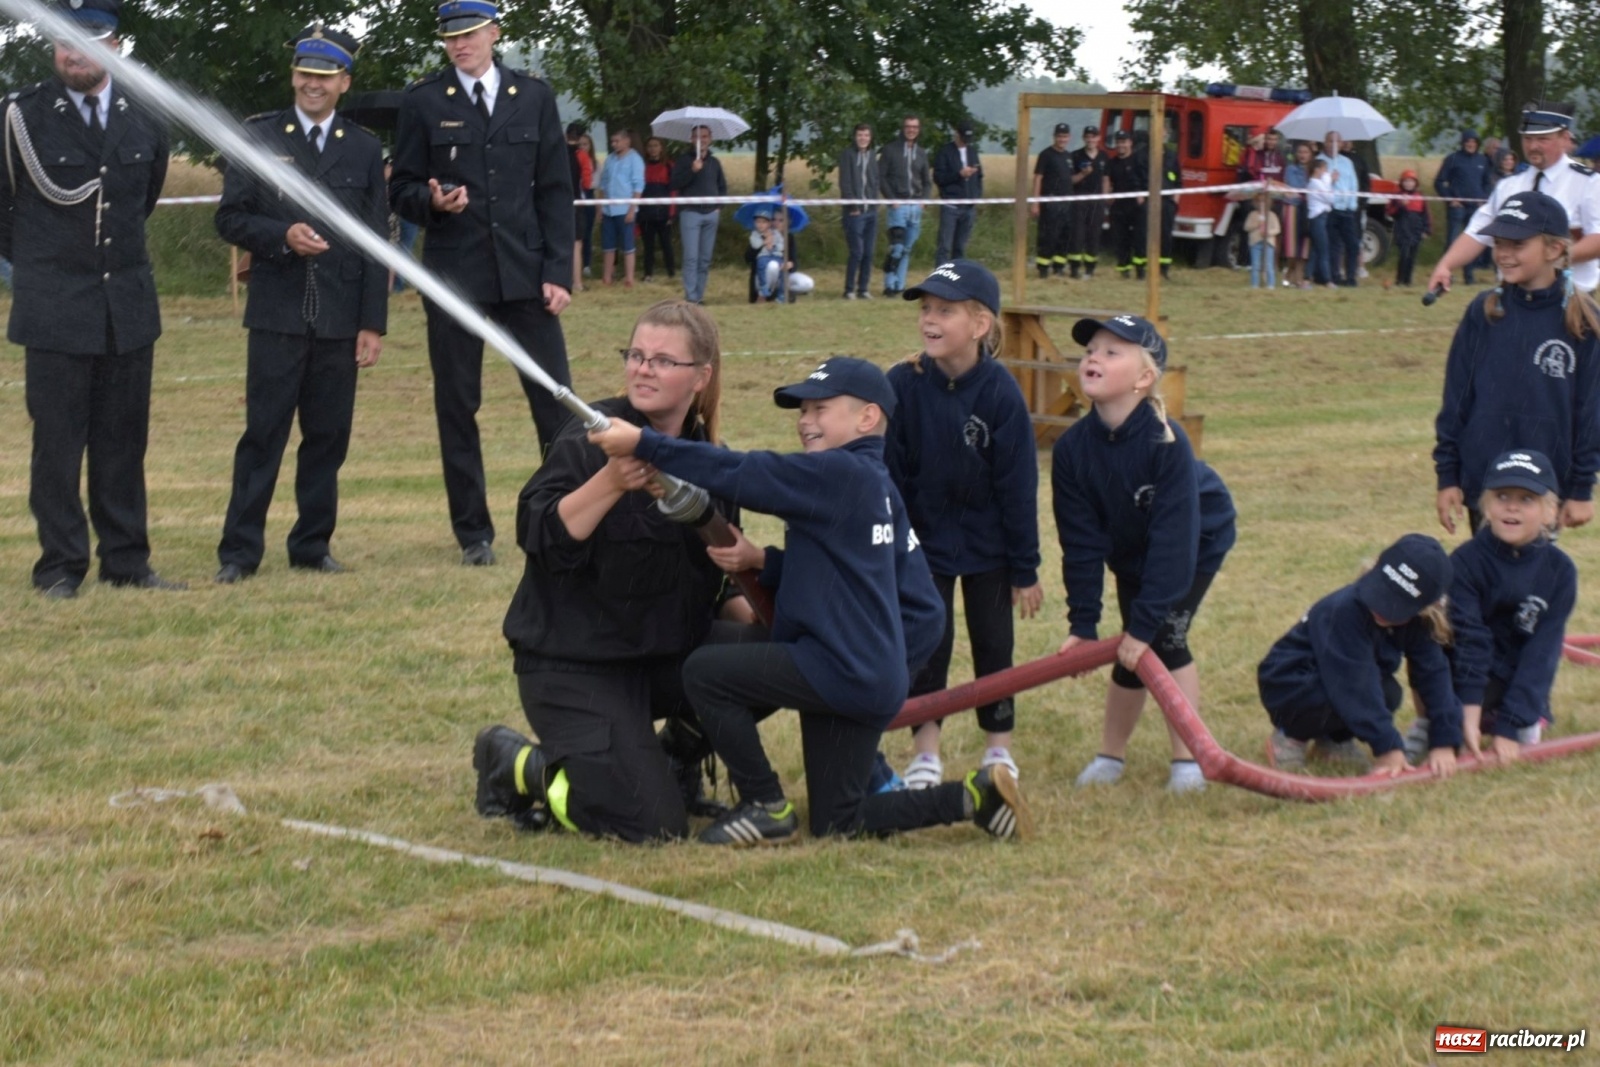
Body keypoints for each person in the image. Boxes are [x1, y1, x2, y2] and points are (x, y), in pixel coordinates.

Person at [586, 356, 1035, 846]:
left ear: (867, 418)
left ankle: (763, 803)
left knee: (705, 673)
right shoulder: (877, 486)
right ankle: (973, 798)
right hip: (863, 677)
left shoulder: (837, 473)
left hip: (839, 668)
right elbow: (918, 602)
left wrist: (644, 444)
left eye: (821, 409)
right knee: (839, 819)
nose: (805, 421)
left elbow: (743, 470)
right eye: (802, 411)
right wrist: (766, 562)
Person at [472, 301, 742, 842]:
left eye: (663, 361)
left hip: (660, 659)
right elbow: (539, 533)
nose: (643, 368)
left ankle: (673, 759)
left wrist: (781, 634)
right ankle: (519, 765)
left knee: (771, 656)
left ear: (701, 376)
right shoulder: (587, 440)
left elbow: (719, 581)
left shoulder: (711, 459)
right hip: (577, 669)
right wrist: (613, 482)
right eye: (636, 355)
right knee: (653, 827)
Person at [0, 0, 183, 598]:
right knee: (57, 446)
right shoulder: (19, 117)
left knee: (124, 442)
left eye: (88, 40)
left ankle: (127, 562)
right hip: (54, 308)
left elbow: (141, 202)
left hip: (126, 308)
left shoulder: (146, 117)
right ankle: (60, 567)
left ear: (115, 46)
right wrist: (43, 265)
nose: (73, 53)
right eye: (62, 42)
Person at [390, 0, 576, 567]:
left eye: (469, 34)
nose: (458, 45)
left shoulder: (535, 97)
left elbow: (554, 190)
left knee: (555, 402)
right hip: (456, 278)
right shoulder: (423, 101)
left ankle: (566, 513)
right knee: (457, 405)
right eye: (450, 37)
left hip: (525, 275)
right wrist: (432, 201)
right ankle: (474, 534)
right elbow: (400, 189)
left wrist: (557, 272)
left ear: (495, 33)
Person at [212, 24, 387, 584]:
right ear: (294, 77)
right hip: (277, 315)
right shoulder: (259, 137)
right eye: (305, 74)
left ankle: (312, 546)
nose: (313, 85)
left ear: (344, 82)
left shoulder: (363, 148)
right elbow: (230, 217)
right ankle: (240, 553)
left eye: (325, 76)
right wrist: (281, 235)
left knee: (328, 438)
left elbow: (374, 243)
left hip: (340, 320)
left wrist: (371, 323)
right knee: (263, 436)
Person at [1054, 315, 1236, 794]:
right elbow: (1081, 543)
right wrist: (1083, 625)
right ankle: (1110, 757)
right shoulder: (1072, 449)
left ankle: (1189, 762)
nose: (1093, 356)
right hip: (1133, 545)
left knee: (1163, 638)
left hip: (1197, 538)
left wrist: (1142, 622)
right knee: (1134, 649)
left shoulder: (1167, 443)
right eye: (1091, 348)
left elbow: (1175, 544)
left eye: (1113, 351)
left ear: (1143, 378)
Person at [887, 261, 1041, 787]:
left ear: (979, 325)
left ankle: (998, 750)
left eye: (944, 311)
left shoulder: (1001, 394)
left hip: (990, 548)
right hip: (921, 545)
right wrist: (894, 549)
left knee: (994, 644)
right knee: (929, 643)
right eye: (925, 309)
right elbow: (888, 476)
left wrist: (1025, 567)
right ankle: (925, 753)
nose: (929, 319)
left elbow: (1018, 487)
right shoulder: (902, 386)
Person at [1433, 191, 1600, 537]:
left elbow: (1591, 413)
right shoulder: (1484, 313)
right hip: (1486, 483)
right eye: (1498, 243)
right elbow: (1456, 400)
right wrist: (1448, 475)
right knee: (1480, 583)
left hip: (1544, 488)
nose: (1504, 255)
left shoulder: (1582, 320)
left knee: (1529, 586)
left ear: (1554, 249)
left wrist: (1582, 487)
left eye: (1517, 244)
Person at [1404, 451, 1576, 768]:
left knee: (1531, 670)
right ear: (1485, 506)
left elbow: (1542, 654)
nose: (1512, 505)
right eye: (1502, 496)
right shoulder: (1464, 562)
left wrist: (1510, 725)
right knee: (1423, 634)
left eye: (1527, 499)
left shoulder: (1560, 572)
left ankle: (1521, 717)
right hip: (1464, 671)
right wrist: (1466, 715)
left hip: (1514, 673)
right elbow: (1471, 640)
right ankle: (1433, 721)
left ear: (1550, 513)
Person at [1260, 535, 1462, 779]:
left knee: (1388, 693)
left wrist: (1444, 741)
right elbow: (1354, 686)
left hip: (1341, 677)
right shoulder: (1342, 611)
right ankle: (1290, 736)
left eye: (1397, 606)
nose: (1382, 609)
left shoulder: (1420, 622)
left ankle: (1335, 740)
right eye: (1382, 594)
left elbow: (1434, 674)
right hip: (1290, 683)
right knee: (1342, 695)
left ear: (1425, 606)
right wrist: (1388, 748)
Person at [1431, 102, 1600, 296]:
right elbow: (1477, 232)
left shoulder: (1589, 183)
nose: (1533, 146)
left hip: (1568, 298)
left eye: (1542, 139)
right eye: (1527, 139)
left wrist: (1553, 258)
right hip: (1514, 299)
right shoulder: (1509, 185)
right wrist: (1446, 265)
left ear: (1564, 138)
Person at [671, 125, 727, 305]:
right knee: (691, 257)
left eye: (704, 136)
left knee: (705, 258)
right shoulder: (683, 160)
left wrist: (719, 206)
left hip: (711, 214)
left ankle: (700, 296)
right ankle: (691, 297)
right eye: (697, 136)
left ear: (710, 139)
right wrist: (692, 170)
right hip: (690, 213)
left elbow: (722, 187)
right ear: (691, 139)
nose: (701, 140)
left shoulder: (714, 162)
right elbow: (674, 183)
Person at [878, 114, 931, 296]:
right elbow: (881, 177)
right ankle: (889, 284)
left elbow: (926, 181)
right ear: (903, 128)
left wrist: (924, 199)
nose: (912, 130)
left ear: (919, 130)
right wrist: (891, 198)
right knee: (896, 247)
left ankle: (900, 285)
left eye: (915, 127)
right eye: (909, 126)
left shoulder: (922, 153)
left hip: (915, 207)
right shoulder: (890, 150)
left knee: (907, 249)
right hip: (898, 206)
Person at [1433, 130, 1493, 286]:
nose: (1470, 144)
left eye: (1473, 141)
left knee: (1472, 242)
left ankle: (1469, 277)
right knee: (1452, 241)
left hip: (1476, 208)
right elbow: (1439, 182)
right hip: (1457, 208)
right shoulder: (1452, 159)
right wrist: (1450, 199)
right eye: (1468, 141)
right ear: (1463, 143)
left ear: (1477, 143)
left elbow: (1487, 183)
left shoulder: (1483, 160)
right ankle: (1445, 276)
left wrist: (1484, 199)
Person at [597, 128, 643, 288]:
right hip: (608, 209)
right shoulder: (609, 159)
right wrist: (600, 207)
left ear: (626, 141)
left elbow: (638, 186)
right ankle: (607, 277)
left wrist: (632, 209)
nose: (614, 144)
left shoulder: (635, 159)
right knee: (608, 245)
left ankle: (629, 278)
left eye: (617, 141)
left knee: (628, 245)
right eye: (612, 141)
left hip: (625, 209)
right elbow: (603, 184)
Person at [839, 123, 880, 300]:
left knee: (869, 252)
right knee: (857, 251)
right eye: (860, 135)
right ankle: (849, 289)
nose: (863, 138)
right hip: (854, 213)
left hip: (871, 211)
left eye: (866, 135)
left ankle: (863, 288)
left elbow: (874, 180)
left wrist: (875, 203)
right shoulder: (847, 155)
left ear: (870, 138)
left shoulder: (872, 155)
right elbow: (845, 182)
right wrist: (853, 206)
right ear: (855, 137)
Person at [933, 121, 982, 262]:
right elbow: (939, 177)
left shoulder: (972, 152)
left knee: (960, 247)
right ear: (957, 135)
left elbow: (979, 176)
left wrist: (977, 195)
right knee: (944, 246)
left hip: (968, 207)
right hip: (951, 206)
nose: (966, 142)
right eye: (964, 138)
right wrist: (959, 174)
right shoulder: (945, 152)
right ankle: (940, 277)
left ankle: (956, 277)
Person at [1317, 131, 1360, 287]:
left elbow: (1353, 184)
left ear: (1342, 144)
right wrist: (1330, 180)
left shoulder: (1347, 162)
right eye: (1330, 141)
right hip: (1329, 208)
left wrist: (1352, 205)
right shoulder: (1319, 162)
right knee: (1334, 245)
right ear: (1325, 142)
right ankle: (1334, 276)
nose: (1334, 145)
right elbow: (1316, 186)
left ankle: (1351, 277)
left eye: (1337, 142)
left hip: (1347, 209)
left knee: (1353, 245)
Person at [1032, 122, 1074, 279]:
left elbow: (1070, 179)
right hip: (1050, 203)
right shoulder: (1046, 155)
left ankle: (1059, 267)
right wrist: (1035, 202)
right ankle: (1043, 268)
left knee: (1064, 236)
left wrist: (1084, 174)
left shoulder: (1068, 157)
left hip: (1067, 203)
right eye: (1059, 136)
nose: (1062, 139)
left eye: (1065, 136)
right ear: (1054, 137)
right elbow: (1038, 178)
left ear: (1069, 138)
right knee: (1048, 236)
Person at [1067, 125, 1110, 278]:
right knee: (1077, 234)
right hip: (1079, 201)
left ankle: (1090, 269)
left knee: (1094, 235)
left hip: (1097, 202)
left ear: (1099, 138)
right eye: (1088, 136)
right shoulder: (1075, 156)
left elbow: (1106, 179)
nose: (1091, 139)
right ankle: (1074, 268)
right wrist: (1083, 174)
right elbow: (1070, 180)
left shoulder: (1104, 157)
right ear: (1084, 138)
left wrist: (1104, 199)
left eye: (1094, 136)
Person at [1106, 129, 1148, 280]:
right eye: (1118, 142)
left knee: (1140, 239)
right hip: (1118, 208)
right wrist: (1108, 194)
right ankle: (1124, 270)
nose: (1120, 145)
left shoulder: (1139, 160)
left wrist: (1141, 195)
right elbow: (1107, 181)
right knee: (1120, 240)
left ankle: (1141, 271)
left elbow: (1147, 182)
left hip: (1137, 207)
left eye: (1123, 142)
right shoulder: (1112, 163)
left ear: (1130, 143)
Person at [1385, 169, 1431, 288]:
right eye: (1406, 181)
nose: (1408, 184)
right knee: (1404, 256)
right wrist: (1401, 206)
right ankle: (1400, 280)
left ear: (1415, 183)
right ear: (1402, 183)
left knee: (1412, 257)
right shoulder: (1397, 196)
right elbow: (1390, 212)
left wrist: (1427, 229)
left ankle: (1408, 280)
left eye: (1411, 181)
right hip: (1402, 231)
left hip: (1416, 231)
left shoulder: (1419, 196)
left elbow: (1426, 215)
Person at [638, 136, 675, 282]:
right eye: (650, 146)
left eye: (656, 145)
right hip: (646, 212)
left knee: (666, 244)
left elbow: (673, 191)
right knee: (648, 245)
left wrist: (672, 214)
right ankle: (648, 274)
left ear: (661, 148)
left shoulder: (669, 166)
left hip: (663, 212)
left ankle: (671, 273)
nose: (653, 149)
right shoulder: (642, 166)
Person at [1280, 141, 1313, 288]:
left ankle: (1299, 277)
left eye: (1305, 152)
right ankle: (1289, 274)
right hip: (1293, 208)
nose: (1302, 155)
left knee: (1304, 246)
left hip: (1308, 209)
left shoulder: (1314, 170)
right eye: (1300, 152)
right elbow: (1295, 187)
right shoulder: (1291, 169)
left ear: (1310, 154)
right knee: (1291, 245)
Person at [565, 122, 589, 292]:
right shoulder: (582, 156)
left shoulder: (555, 153)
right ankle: (577, 283)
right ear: (581, 138)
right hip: (574, 201)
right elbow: (587, 183)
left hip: (554, 201)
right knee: (576, 243)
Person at [1305, 157, 1334, 288]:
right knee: (1323, 249)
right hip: (1317, 218)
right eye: (1324, 169)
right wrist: (1329, 181)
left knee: (1316, 250)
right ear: (1317, 170)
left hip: (1322, 217)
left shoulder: (1318, 183)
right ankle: (1327, 280)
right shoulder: (1315, 183)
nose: (1325, 172)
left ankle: (1306, 279)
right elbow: (1329, 198)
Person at [1244, 187, 1280, 289]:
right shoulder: (1252, 215)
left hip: (1268, 242)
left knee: (1269, 265)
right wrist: (1256, 224)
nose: (1261, 204)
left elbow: (1277, 229)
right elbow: (1246, 227)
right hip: (1255, 242)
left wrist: (1268, 233)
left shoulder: (1272, 215)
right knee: (1255, 265)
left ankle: (1270, 285)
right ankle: (1254, 284)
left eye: (1264, 201)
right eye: (1259, 201)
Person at [749, 208, 785, 302]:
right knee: (761, 265)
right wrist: (764, 241)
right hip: (763, 256)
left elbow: (782, 246)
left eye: (764, 222)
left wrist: (773, 245)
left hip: (776, 255)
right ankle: (763, 286)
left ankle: (781, 293)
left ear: (769, 224)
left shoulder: (776, 233)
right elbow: (755, 245)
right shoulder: (754, 234)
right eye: (758, 222)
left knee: (782, 271)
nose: (760, 225)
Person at [576, 131, 598, 278]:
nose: (583, 147)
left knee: (587, 232)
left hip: (589, 195)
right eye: (580, 144)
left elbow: (596, 184)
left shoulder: (595, 164)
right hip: (576, 196)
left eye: (585, 144)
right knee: (577, 233)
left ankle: (586, 264)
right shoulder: (572, 160)